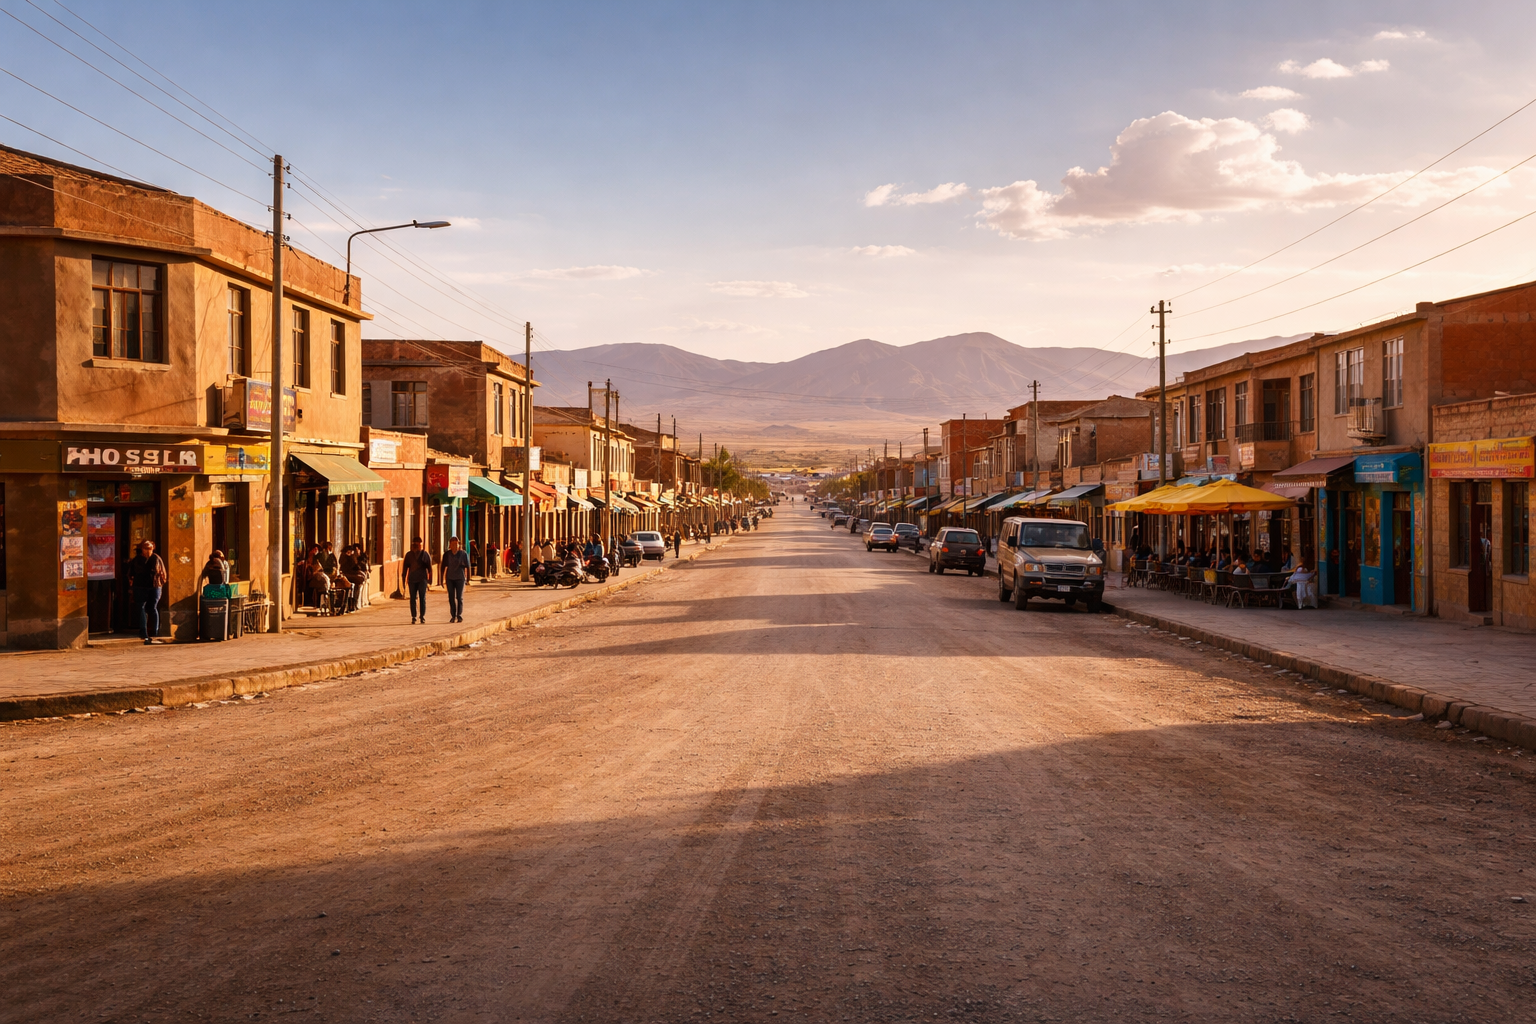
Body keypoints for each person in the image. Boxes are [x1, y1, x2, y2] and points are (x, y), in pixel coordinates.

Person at [127, 540, 167, 645]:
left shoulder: (156, 558)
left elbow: (163, 573)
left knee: (152, 608)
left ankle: (155, 632)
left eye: (150, 548)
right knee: (141, 608)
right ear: (142, 549)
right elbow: (131, 573)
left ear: (152, 548)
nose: (148, 550)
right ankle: (143, 632)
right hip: (140, 586)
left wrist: (160, 584)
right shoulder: (137, 560)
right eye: (146, 548)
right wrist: (132, 586)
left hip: (154, 586)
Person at [402, 537, 433, 624]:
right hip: (412, 580)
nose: (416, 546)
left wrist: (430, 580)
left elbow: (429, 568)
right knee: (413, 598)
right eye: (414, 544)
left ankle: (422, 616)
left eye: (418, 544)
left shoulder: (425, 555)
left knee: (422, 598)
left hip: (422, 579)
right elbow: (405, 568)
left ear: (421, 545)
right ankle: (414, 616)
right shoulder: (409, 555)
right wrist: (403, 578)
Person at [441, 535, 472, 623]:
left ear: (458, 545)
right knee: (451, 597)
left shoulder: (463, 554)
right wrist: (441, 580)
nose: (454, 546)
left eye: (456, 544)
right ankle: (453, 615)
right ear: (450, 545)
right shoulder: (447, 554)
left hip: (460, 578)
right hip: (450, 578)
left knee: (459, 597)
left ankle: (459, 615)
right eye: (452, 544)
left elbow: (468, 566)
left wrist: (468, 579)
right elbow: (443, 567)